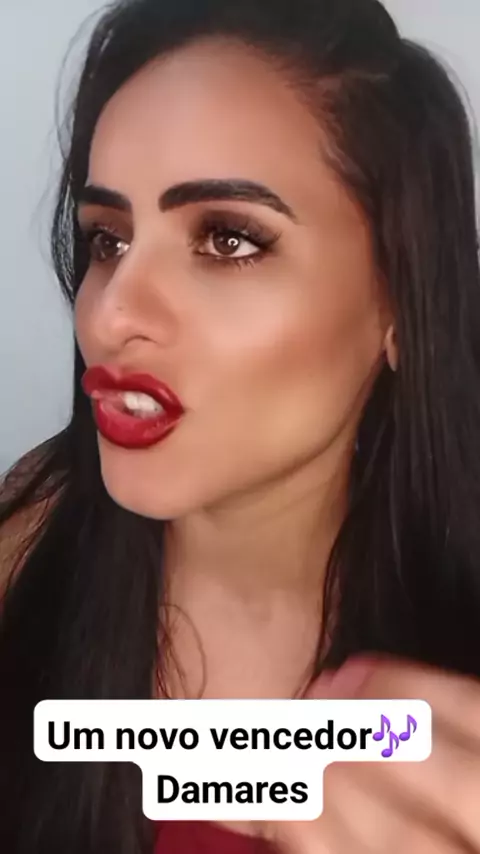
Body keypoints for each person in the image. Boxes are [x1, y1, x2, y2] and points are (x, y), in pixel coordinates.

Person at [2, 0, 480, 851]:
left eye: (227, 240)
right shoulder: (28, 540)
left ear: (398, 304)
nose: (111, 315)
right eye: (109, 240)